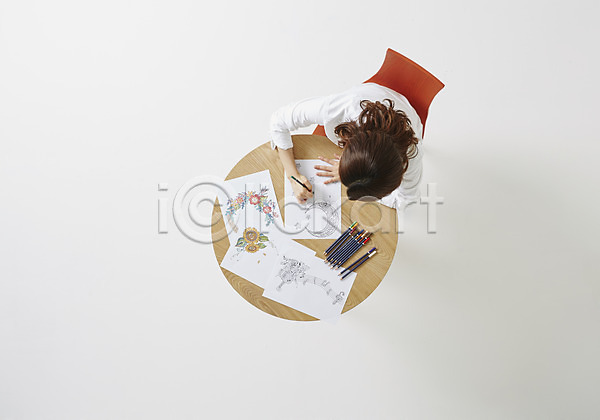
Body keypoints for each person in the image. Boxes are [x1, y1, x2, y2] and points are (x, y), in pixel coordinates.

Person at [269, 82, 424, 212]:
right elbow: (278, 121)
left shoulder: (411, 154)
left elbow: (406, 201)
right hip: (368, 95)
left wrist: (356, 179)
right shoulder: (341, 108)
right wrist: (293, 176)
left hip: (406, 113)